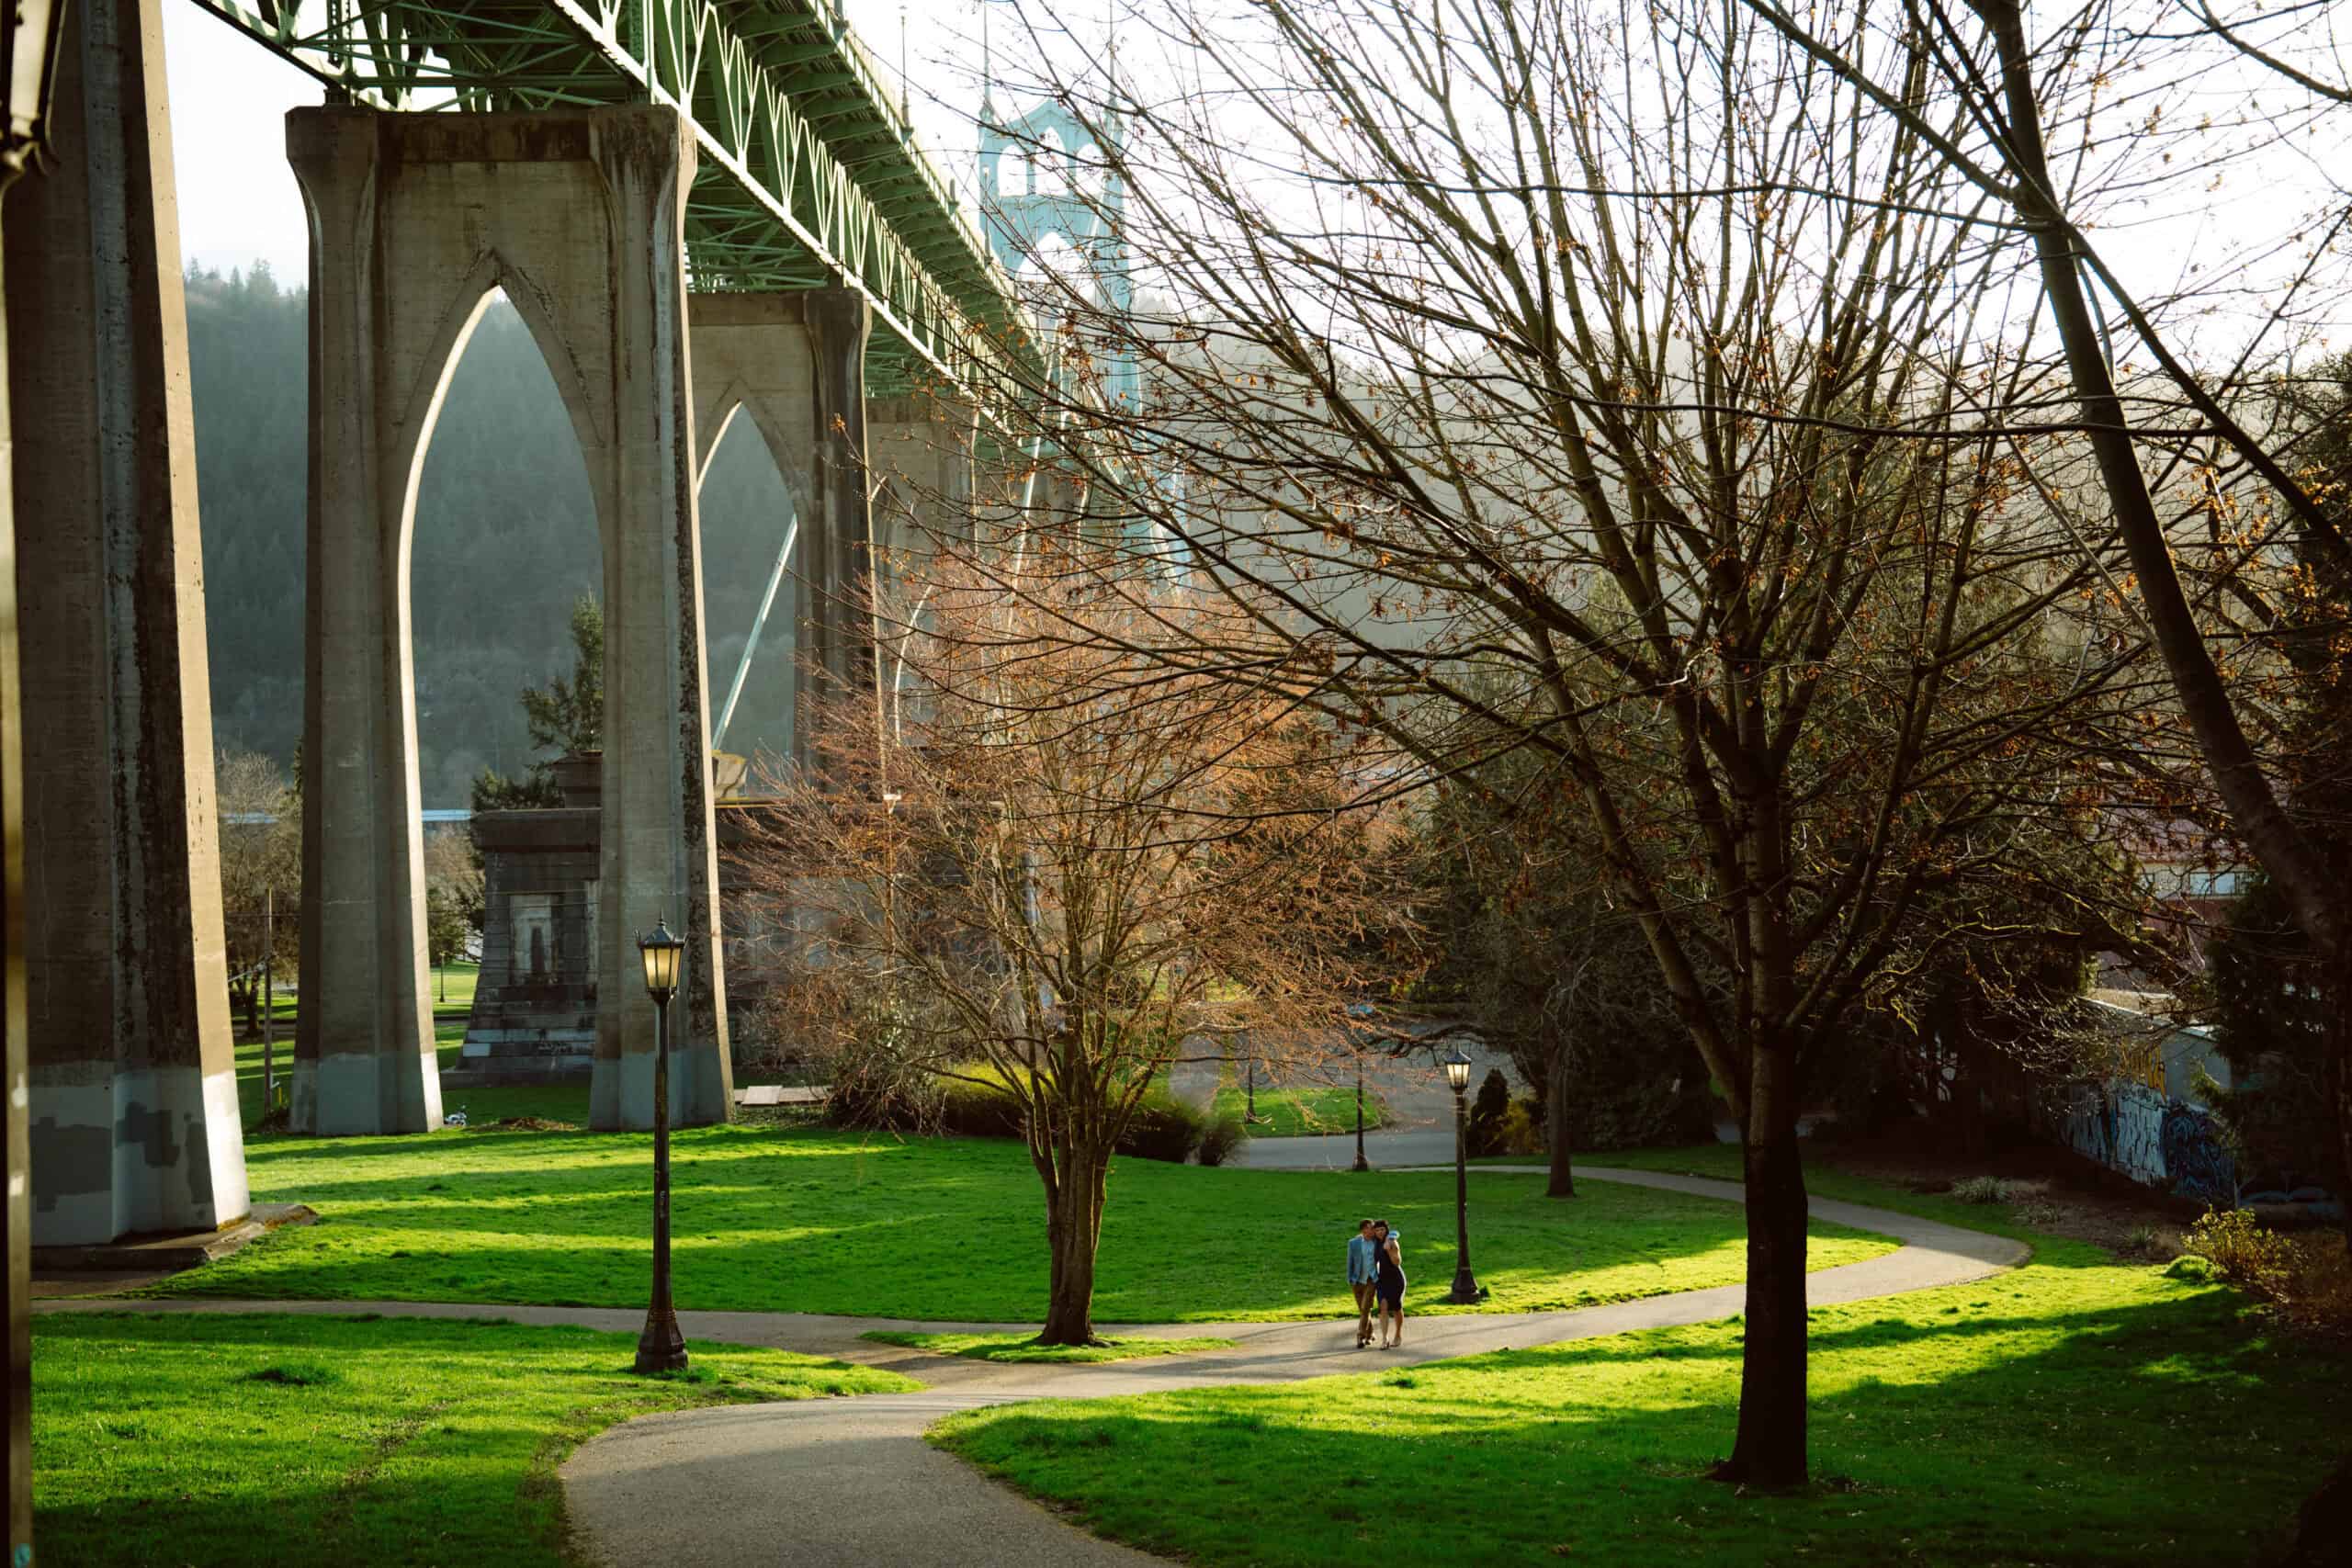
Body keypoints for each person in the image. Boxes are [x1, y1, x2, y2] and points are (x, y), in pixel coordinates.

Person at [1372, 1218, 1407, 1348]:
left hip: (1396, 1279)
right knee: (1383, 1307)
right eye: (1377, 1230)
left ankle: (1398, 1334)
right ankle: (1385, 1339)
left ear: (1386, 1230)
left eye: (1382, 1230)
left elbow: (1397, 1263)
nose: (1380, 1232)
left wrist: (1390, 1250)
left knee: (1397, 1308)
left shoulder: (1392, 1242)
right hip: (1382, 1280)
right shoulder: (1376, 1242)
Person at [1346, 1219, 1379, 1347]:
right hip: (1357, 1280)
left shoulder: (1378, 1242)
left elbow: (1392, 1234)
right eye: (1368, 1228)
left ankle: (1360, 1336)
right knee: (1363, 1310)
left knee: (1366, 1308)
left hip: (1372, 1280)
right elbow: (1350, 1261)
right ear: (1363, 1230)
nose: (1371, 1231)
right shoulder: (1353, 1243)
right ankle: (1370, 1334)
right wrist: (1350, 1279)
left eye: (1373, 1228)